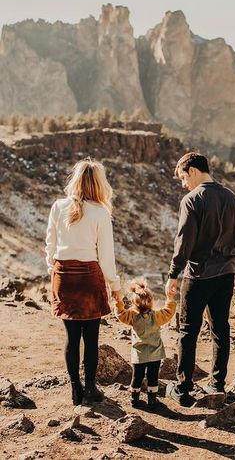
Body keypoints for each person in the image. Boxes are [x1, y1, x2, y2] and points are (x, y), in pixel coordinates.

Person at [165, 152, 235, 407]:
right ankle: (217, 384)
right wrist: (232, 263)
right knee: (220, 329)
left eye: (182, 177)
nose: (182, 184)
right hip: (226, 274)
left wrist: (173, 273)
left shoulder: (192, 199)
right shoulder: (233, 198)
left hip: (198, 275)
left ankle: (183, 389)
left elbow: (184, 241)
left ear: (192, 171)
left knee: (188, 331)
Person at [45, 158, 122, 406]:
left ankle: (74, 389)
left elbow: (51, 245)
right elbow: (106, 258)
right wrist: (115, 287)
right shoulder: (100, 212)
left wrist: (53, 270)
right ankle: (90, 388)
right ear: (99, 184)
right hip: (89, 277)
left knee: (71, 336)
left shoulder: (58, 206)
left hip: (63, 276)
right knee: (91, 338)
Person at [114, 280, 176, 409]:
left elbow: (120, 314)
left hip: (139, 354)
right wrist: (170, 298)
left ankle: (134, 399)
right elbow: (168, 312)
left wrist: (118, 302)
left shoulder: (131, 316)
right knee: (153, 377)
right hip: (155, 353)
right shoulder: (157, 316)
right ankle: (152, 400)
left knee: (137, 376)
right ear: (151, 301)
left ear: (134, 302)